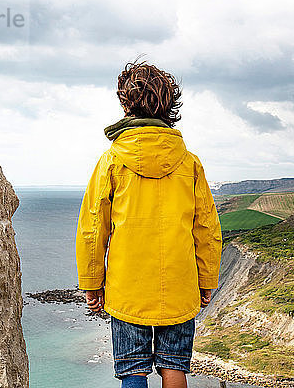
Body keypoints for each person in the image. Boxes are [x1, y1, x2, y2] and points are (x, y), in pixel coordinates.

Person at [75, 60, 223, 388]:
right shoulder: (190, 162)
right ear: (171, 106)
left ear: (125, 104)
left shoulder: (111, 161)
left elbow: (92, 227)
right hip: (180, 284)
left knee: (132, 368)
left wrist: (92, 283)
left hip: (127, 287)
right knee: (174, 366)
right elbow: (208, 229)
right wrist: (207, 279)